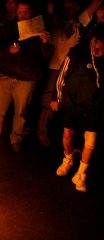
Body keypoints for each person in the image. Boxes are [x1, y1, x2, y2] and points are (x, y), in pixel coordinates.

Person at [0, 0, 52, 152]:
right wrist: (9, 51)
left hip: (26, 79)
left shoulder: (39, 29)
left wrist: (45, 42)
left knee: (20, 113)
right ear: (16, 12)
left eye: (25, 12)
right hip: (6, 75)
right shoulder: (9, 27)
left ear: (31, 12)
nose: (22, 15)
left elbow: (46, 56)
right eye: (20, 12)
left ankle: (16, 139)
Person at [52, 23, 104, 192]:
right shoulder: (76, 53)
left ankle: (81, 174)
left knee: (91, 142)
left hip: (95, 106)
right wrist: (56, 97)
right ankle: (68, 160)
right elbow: (62, 75)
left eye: (100, 48)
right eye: (93, 46)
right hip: (73, 102)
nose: (95, 50)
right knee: (68, 136)